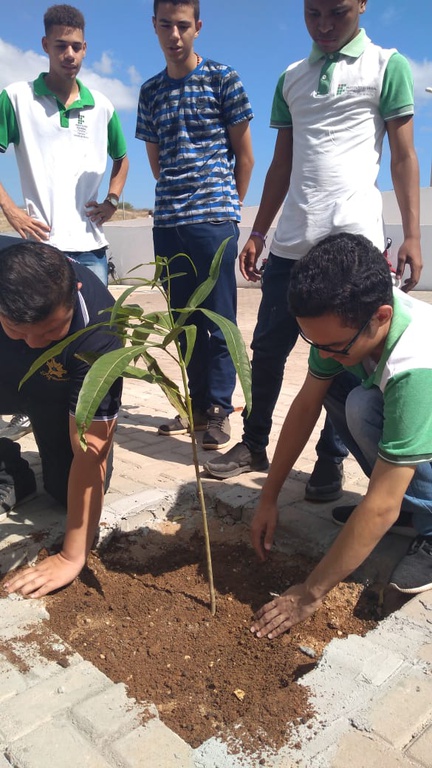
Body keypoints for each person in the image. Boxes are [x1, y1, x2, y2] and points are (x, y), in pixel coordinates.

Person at [204, 0, 422, 501]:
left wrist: (411, 234)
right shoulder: (290, 77)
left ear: (362, 6)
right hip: (291, 242)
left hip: (352, 245)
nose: (324, 25)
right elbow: (281, 162)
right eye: (313, 13)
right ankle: (254, 442)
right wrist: (259, 230)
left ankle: (330, 460)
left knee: (348, 357)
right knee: (267, 350)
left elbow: (404, 155)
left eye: (338, 13)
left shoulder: (388, 65)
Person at [249, 232, 432, 639]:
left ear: (381, 317)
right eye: (314, 342)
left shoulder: (415, 365)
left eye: (332, 345)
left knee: (364, 408)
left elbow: (379, 505)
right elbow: (304, 407)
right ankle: (415, 505)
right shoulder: (341, 324)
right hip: (415, 418)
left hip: (427, 411)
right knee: (347, 395)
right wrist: (268, 497)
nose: (322, 352)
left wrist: (309, 594)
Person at [0, 4, 128, 440]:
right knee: (33, 336)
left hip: (91, 249)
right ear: (45, 46)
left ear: (85, 48)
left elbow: (122, 157)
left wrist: (113, 198)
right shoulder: (17, 97)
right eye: (60, 46)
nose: (69, 54)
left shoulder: (104, 105)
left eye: (76, 47)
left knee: (90, 343)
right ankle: (30, 409)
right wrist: (12, 210)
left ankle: (89, 414)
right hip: (43, 248)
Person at [136, 0, 254, 450]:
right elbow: (157, 163)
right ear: (155, 26)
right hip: (168, 221)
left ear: (198, 27)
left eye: (183, 25)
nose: (174, 35)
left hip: (213, 220)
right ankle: (194, 405)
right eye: (165, 25)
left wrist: (227, 208)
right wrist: (179, 199)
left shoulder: (224, 78)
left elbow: (245, 156)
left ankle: (219, 409)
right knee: (182, 320)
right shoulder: (150, 92)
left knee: (219, 318)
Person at [0, 240, 123, 599]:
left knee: (65, 493)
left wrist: (72, 556)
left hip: (60, 383)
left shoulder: (101, 329)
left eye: (52, 331)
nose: (36, 344)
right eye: (19, 330)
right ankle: (6, 464)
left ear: (77, 292)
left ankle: (25, 478)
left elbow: (91, 449)